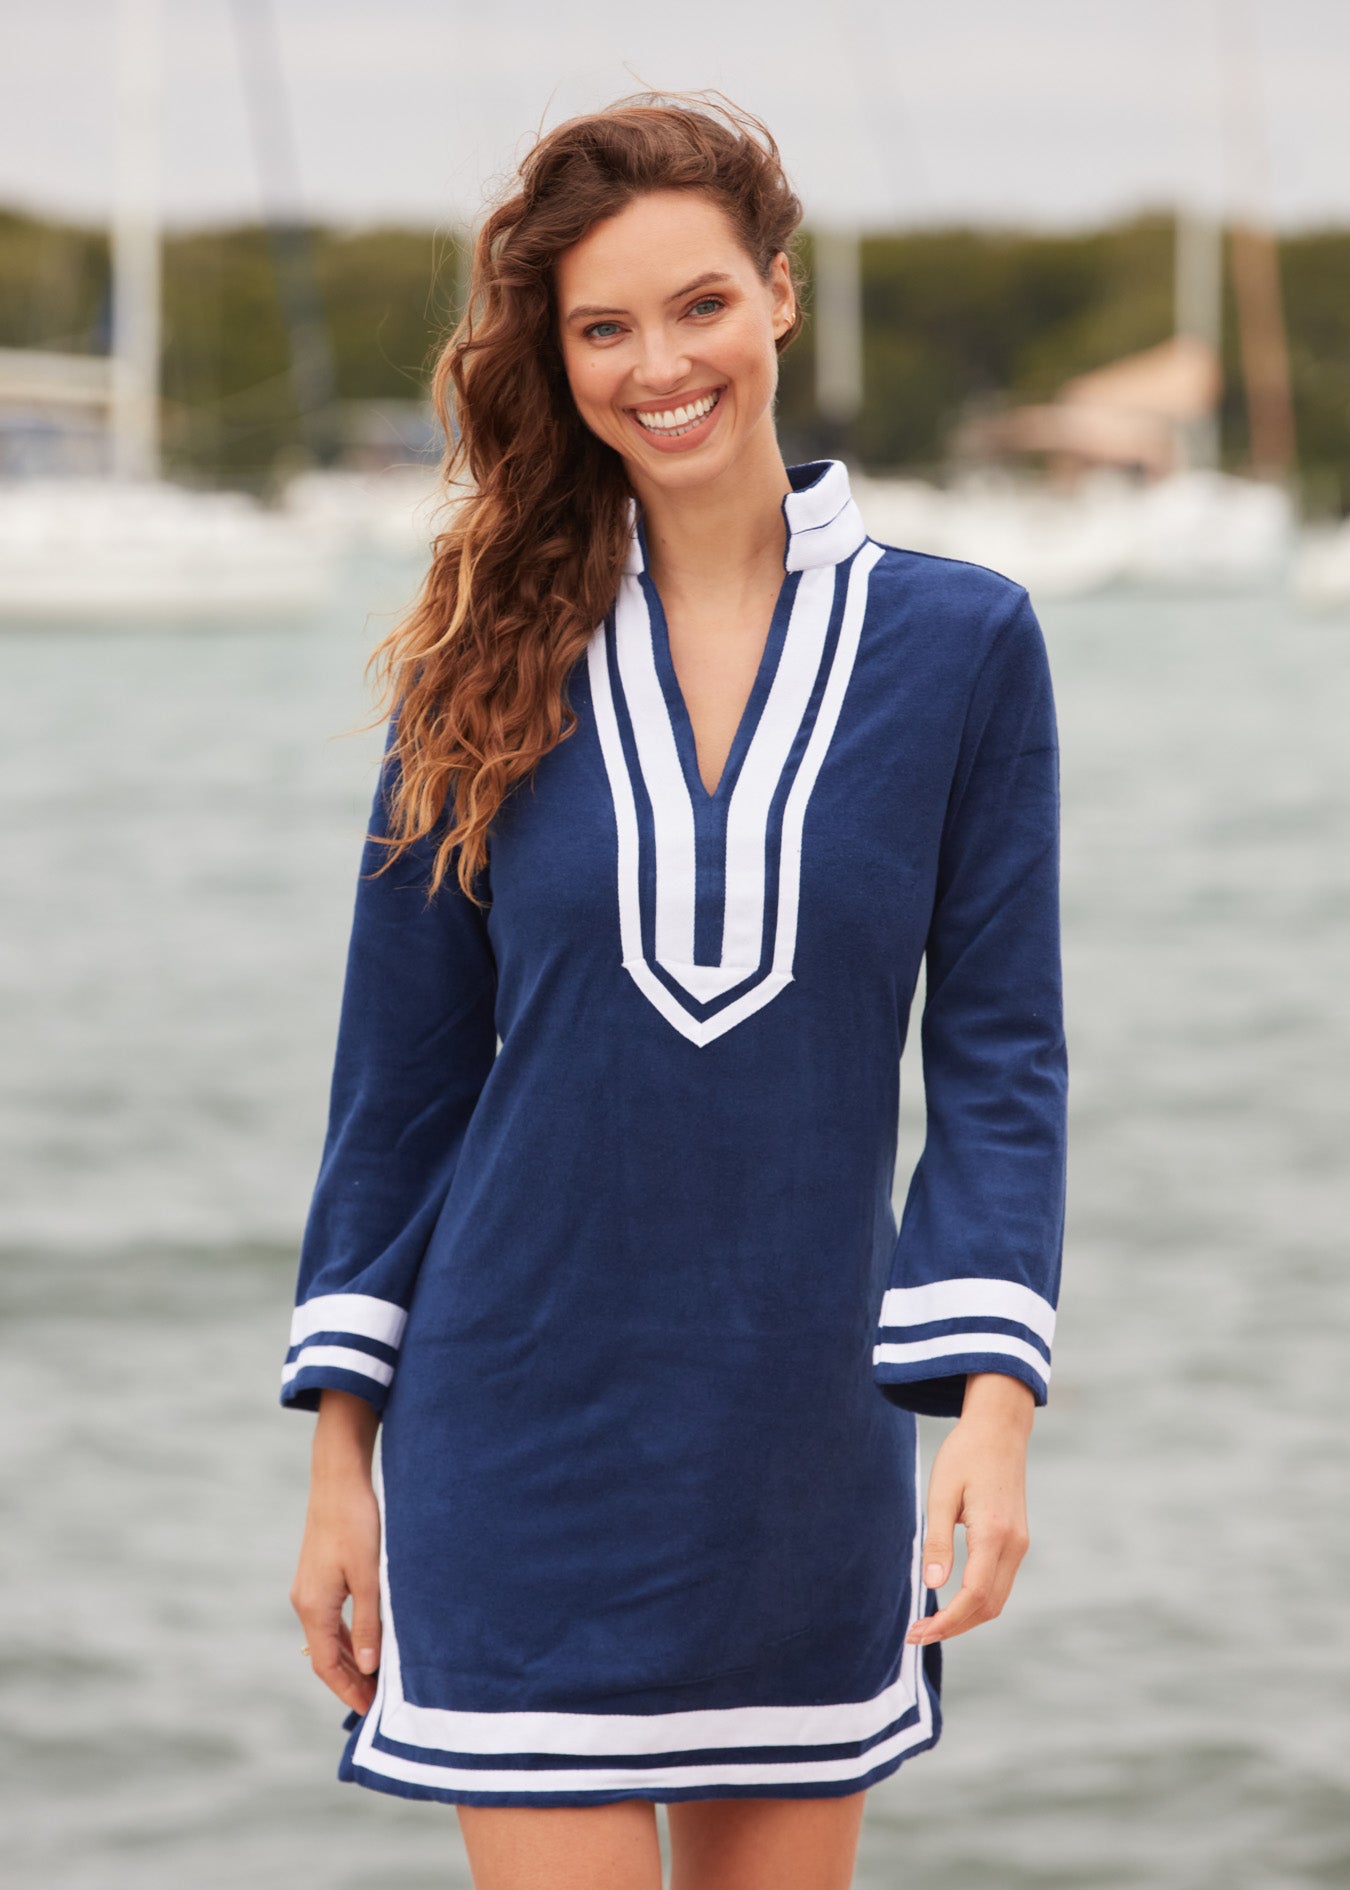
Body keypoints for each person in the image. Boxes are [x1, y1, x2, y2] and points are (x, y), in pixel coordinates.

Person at [281, 88, 1068, 1890]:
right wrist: (342, 1463)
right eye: (603, 329)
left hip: (804, 1446)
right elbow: (394, 1092)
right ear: (553, 361)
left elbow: (1002, 1058)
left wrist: (990, 1413)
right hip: (515, 1441)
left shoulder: (960, 646)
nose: (660, 365)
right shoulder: (478, 661)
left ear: (779, 296)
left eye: (698, 304)